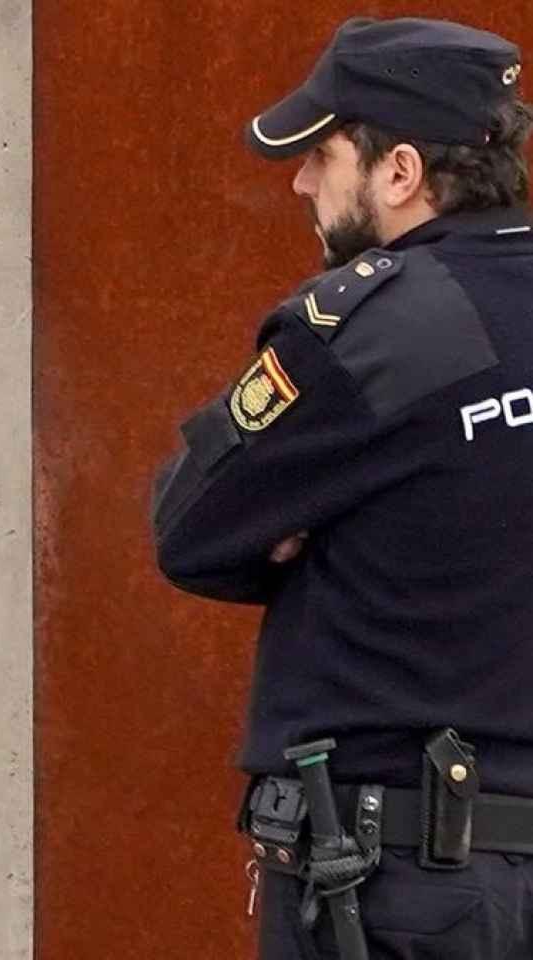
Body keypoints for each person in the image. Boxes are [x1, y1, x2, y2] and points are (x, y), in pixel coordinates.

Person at [151, 16, 533, 959]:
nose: (301, 183)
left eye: (322, 156)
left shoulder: (377, 329)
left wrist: (305, 527)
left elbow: (189, 528)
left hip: (402, 879)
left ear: (400, 172)